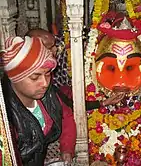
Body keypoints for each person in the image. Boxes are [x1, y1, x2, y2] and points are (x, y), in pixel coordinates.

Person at [0, 36, 76, 166]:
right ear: (15, 78)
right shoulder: (5, 117)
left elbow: (66, 117)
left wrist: (67, 148)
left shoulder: (49, 96)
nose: (45, 83)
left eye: (47, 74)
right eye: (35, 77)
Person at [25, 28, 125, 110]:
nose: (56, 50)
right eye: (50, 47)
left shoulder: (47, 76)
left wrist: (104, 103)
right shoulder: (23, 79)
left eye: (55, 45)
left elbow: (66, 103)